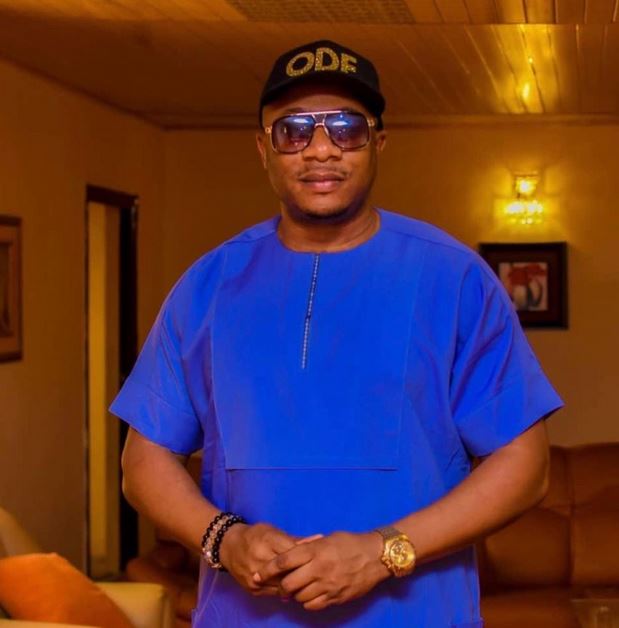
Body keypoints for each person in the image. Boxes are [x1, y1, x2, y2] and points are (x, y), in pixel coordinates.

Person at [111, 40, 563, 627]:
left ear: (378, 143)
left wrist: (383, 552)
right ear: (263, 149)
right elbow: (142, 460)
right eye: (293, 130)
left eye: (346, 128)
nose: (321, 148)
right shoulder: (208, 285)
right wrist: (223, 537)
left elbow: (526, 465)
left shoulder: (453, 279)